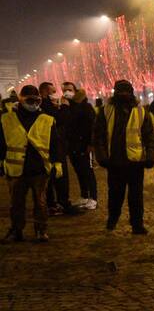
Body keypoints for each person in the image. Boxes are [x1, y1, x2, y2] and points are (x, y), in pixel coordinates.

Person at [93, 79, 154, 234]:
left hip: (135, 162)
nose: (124, 95)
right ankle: (112, 219)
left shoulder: (141, 111)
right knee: (115, 195)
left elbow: (149, 137)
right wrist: (102, 157)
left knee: (136, 197)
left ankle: (137, 224)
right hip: (114, 162)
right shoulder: (105, 111)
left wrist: (150, 156)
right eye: (121, 91)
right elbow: (98, 136)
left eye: (126, 91)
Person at [1, 85, 62, 242]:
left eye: (37, 101)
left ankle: (41, 230)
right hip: (16, 168)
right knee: (16, 204)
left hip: (39, 169)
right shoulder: (6, 118)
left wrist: (57, 163)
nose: (34, 104)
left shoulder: (48, 119)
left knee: (41, 204)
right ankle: (16, 230)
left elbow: (55, 143)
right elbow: (1, 142)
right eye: (30, 100)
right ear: (21, 99)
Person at [41, 81, 76, 216]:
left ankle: (52, 204)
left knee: (50, 179)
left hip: (52, 145)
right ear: (45, 92)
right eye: (53, 91)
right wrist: (65, 107)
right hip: (54, 146)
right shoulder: (46, 105)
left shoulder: (45, 105)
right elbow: (61, 120)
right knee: (60, 177)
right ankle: (62, 204)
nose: (55, 94)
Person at [64, 87, 97, 210]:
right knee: (79, 171)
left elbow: (93, 127)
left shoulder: (86, 107)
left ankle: (93, 198)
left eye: (69, 89)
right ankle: (84, 195)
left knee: (88, 172)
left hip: (84, 145)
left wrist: (91, 144)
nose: (66, 92)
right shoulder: (69, 107)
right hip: (73, 146)